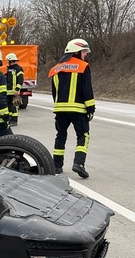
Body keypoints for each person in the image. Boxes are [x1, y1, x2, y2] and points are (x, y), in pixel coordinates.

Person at [49, 38, 95, 178]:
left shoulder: (56, 68)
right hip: (78, 110)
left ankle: (57, 166)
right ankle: (78, 164)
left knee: (60, 136)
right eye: (84, 52)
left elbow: (54, 91)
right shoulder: (83, 66)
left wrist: (59, 106)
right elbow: (87, 89)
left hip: (60, 110)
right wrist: (91, 108)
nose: (85, 55)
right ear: (77, 52)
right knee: (83, 135)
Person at [5, 52, 24, 126]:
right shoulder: (9, 69)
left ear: (10, 60)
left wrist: (17, 89)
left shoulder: (18, 69)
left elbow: (20, 79)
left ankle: (14, 121)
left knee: (14, 107)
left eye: (8, 61)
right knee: (9, 107)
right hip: (8, 91)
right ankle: (10, 120)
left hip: (14, 91)